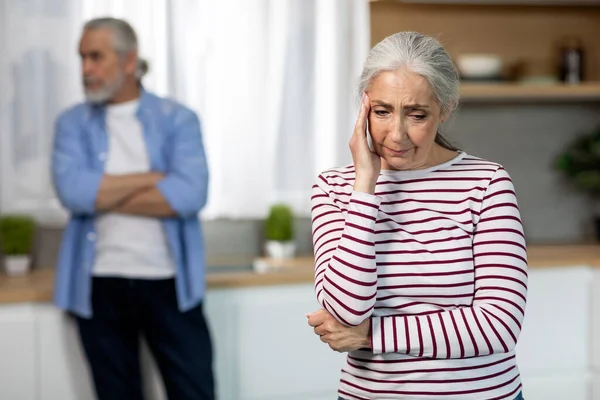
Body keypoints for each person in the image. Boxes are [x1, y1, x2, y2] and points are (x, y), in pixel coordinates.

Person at [307, 31, 527, 400]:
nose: (396, 134)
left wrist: (370, 334)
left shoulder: (486, 183)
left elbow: (498, 324)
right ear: (364, 106)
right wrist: (364, 186)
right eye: (381, 111)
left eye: (417, 114)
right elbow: (345, 309)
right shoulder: (334, 188)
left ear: (445, 109)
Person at [51, 17, 214, 400]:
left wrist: (101, 189)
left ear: (128, 61)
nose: (85, 69)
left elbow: (190, 194)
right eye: (82, 58)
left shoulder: (178, 118)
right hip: (98, 286)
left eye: (95, 57)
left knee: (195, 391)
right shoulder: (71, 123)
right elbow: (74, 193)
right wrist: (155, 177)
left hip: (171, 285)